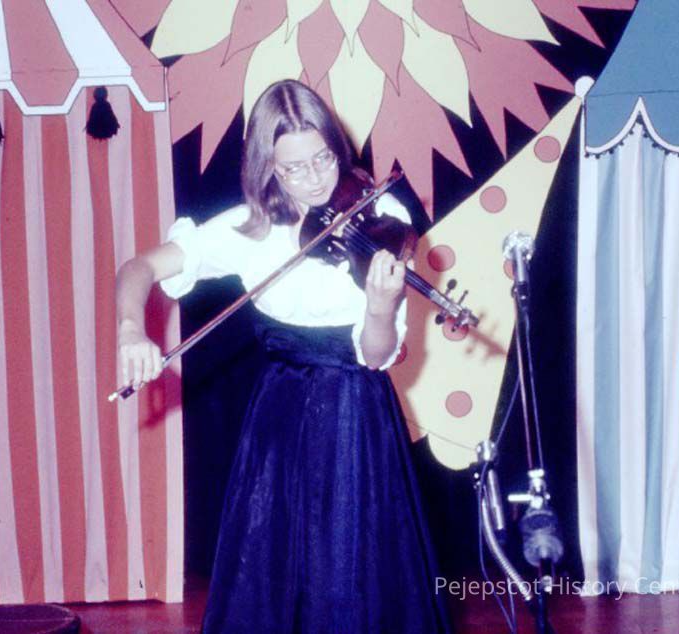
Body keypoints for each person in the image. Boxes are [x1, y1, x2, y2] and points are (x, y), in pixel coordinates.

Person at [116, 79, 452, 633]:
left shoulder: (381, 214)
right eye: (294, 168)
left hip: (356, 417)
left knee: (354, 579)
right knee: (272, 579)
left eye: (324, 158)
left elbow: (376, 355)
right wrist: (131, 329)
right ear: (267, 167)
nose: (316, 179)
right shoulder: (248, 230)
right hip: (278, 420)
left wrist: (380, 306)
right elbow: (139, 268)